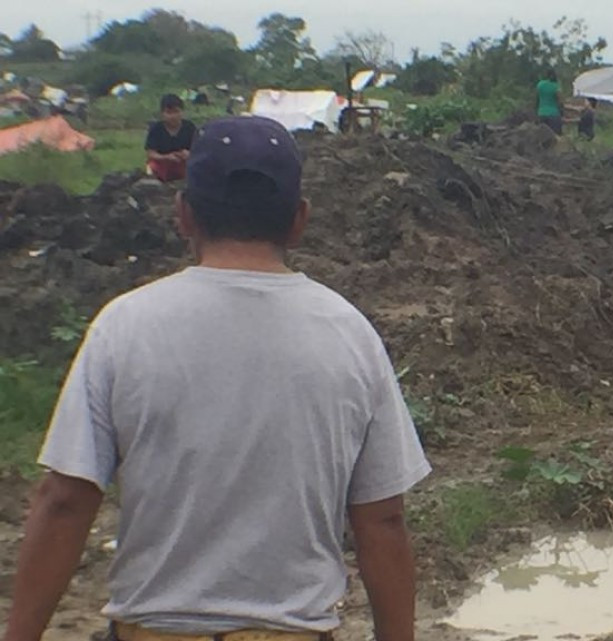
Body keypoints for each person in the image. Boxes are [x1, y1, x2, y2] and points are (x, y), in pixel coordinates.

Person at [3, 116, 431, 641]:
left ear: (184, 215)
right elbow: (382, 520)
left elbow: (66, 500)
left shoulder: (125, 326)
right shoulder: (350, 335)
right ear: (299, 220)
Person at [145, 94, 197, 182]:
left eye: (176, 112)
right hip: (163, 163)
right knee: (152, 166)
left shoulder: (189, 127)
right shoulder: (156, 129)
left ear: (182, 112)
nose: (173, 116)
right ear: (162, 114)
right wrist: (166, 157)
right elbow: (151, 153)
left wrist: (189, 154)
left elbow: (199, 149)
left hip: (183, 163)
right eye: (169, 113)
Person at [536, 69, 562, 135]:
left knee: (541, 136)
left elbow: (537, 99)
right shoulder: (556, 86)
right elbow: (560, 101)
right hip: (553, 114)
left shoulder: (540, 84)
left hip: (541, 113)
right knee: (555, 136)